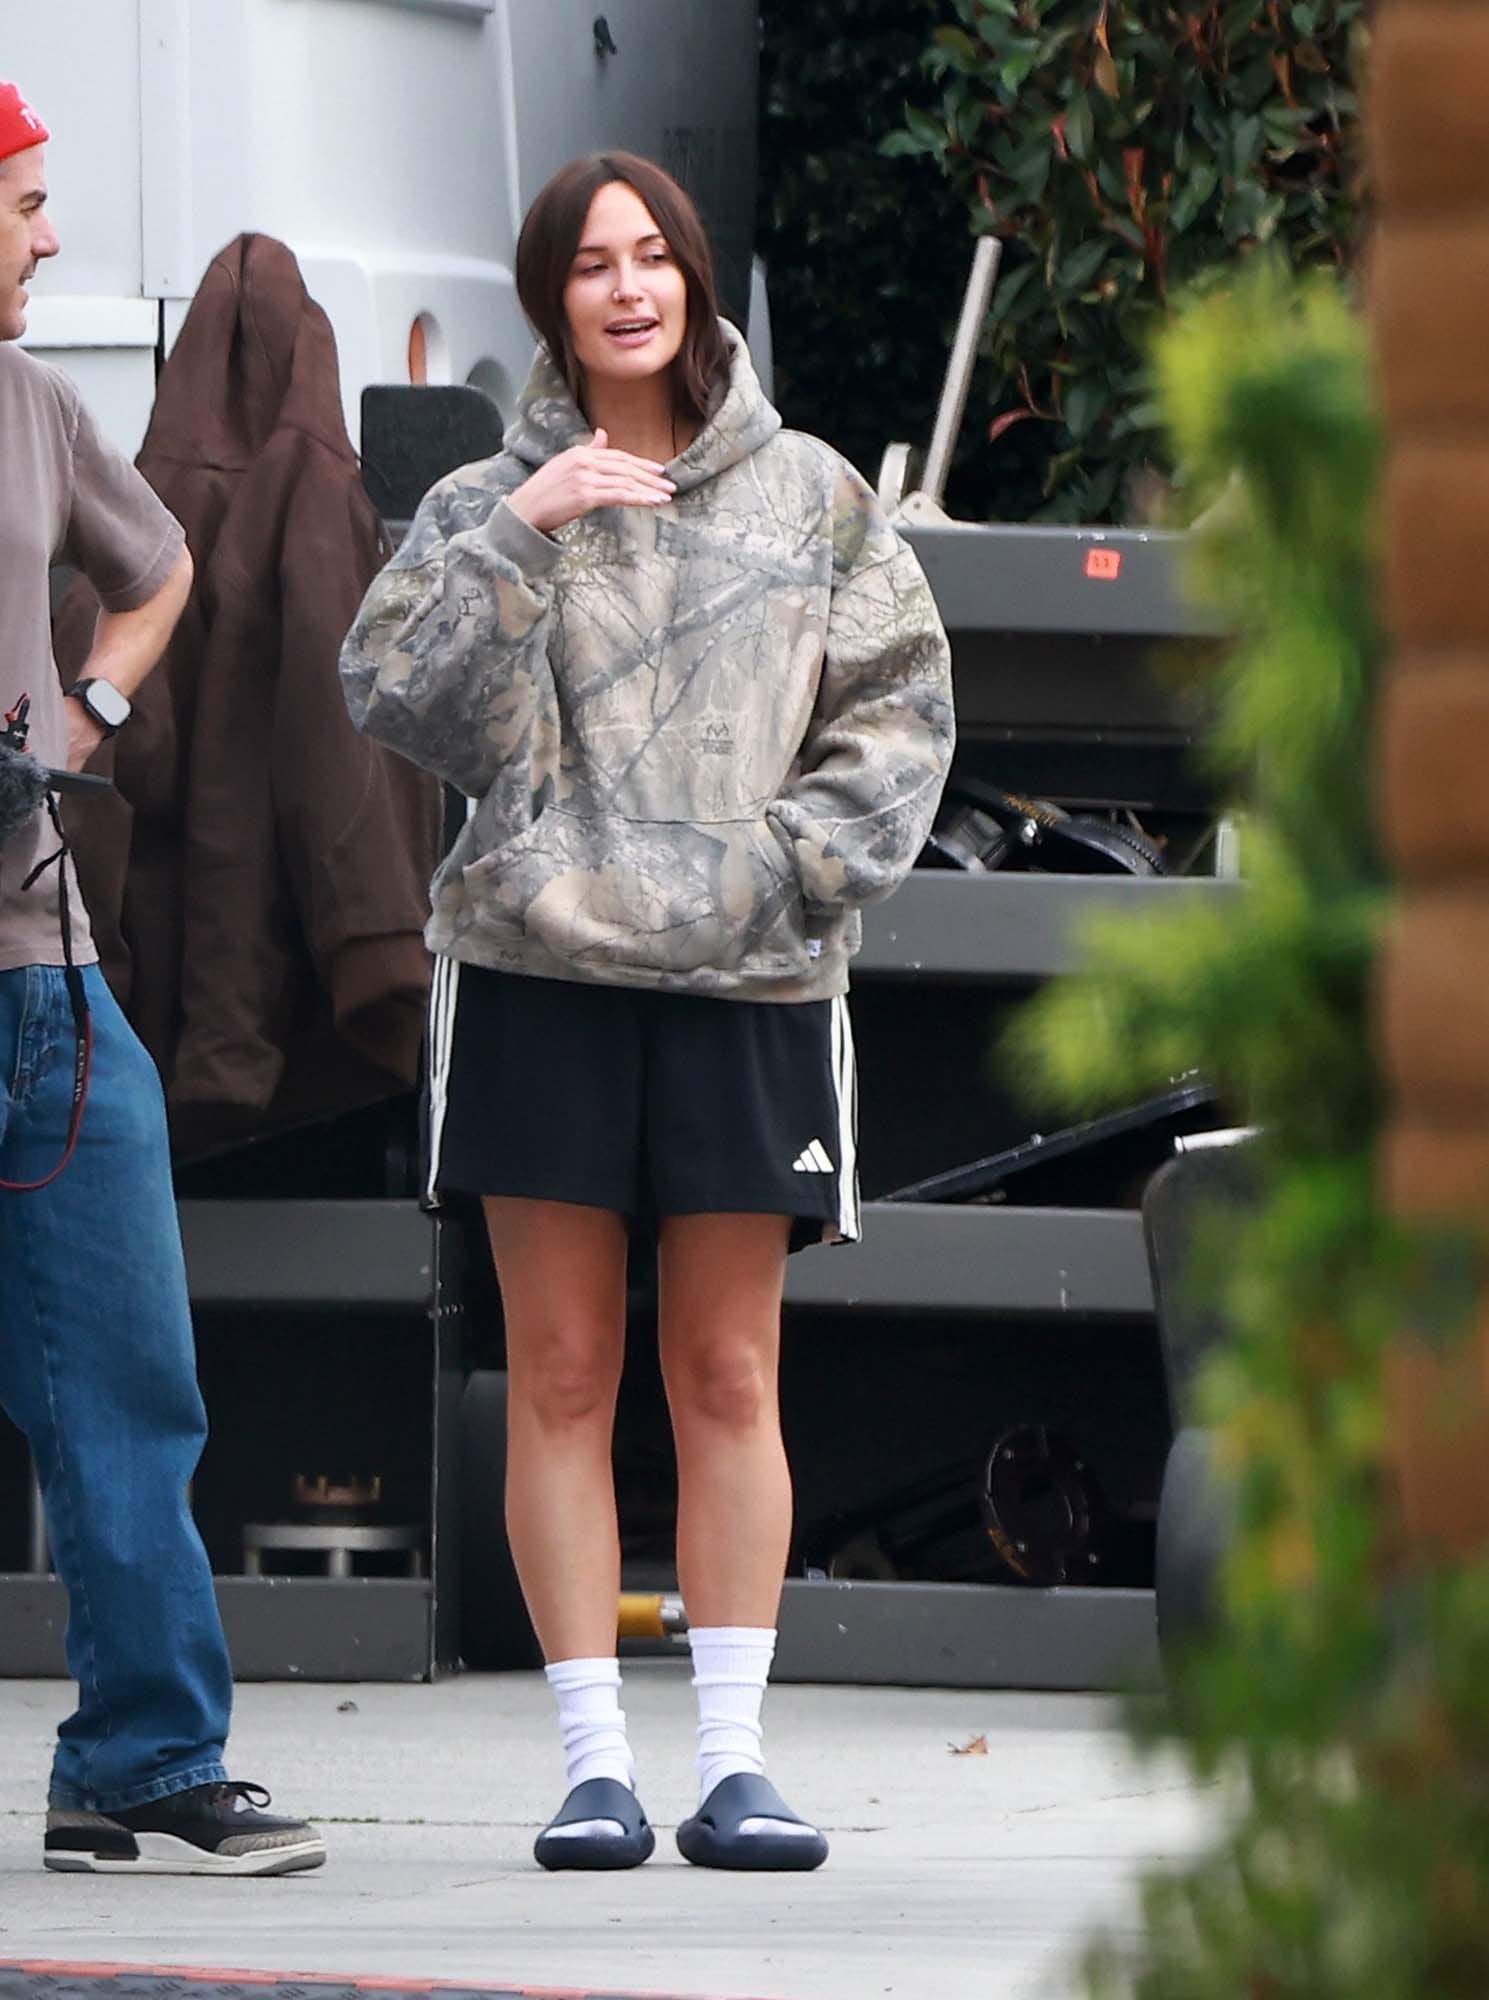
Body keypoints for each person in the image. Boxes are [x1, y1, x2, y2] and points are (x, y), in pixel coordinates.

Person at [341, 151, 954, 1874]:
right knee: (558, 1370)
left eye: (653, 257)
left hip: (751, 983)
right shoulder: (487, 498)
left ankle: (737, 1765)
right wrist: (515, 541)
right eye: (592, 265)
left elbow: (900, 712)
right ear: (550, 301)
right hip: (535, 978)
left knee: (728, 1369)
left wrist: (781, 870)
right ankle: (593, 1768)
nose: (628, 289)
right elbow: (398, 702)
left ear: (694, 277)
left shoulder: (812, 493)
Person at [0, 78, 323, 1876]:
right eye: (25, 201)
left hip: (48, 978)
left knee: (129, 1372)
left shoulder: (39, 409)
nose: (50, 236)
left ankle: (139, 1760)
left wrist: (87, 707)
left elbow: (164, 565)